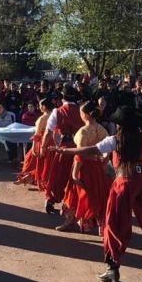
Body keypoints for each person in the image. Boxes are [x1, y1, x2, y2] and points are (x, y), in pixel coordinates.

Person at [54, 106, 142, 282]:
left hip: (123, 183)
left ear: (120, 125)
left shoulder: (115, 140)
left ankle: (112, 268)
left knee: (115, 224)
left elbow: (90, 150)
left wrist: (65, 150)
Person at [55, 101, 112, 233]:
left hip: (84, 167)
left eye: (81, 112)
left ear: (86, 114)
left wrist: (75, 173)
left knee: (76, 194)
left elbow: (80, 154)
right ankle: (102, 228)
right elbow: (108, 151)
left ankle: (70, 221)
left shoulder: (83, 131)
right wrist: (103, 165)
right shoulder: (102, 130)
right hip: (97, 166)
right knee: (98, 196)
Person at [40, 86, 84, 214]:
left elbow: (48, 131)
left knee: (59, 175)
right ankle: (78, 203)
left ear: (63, 98)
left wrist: (43, 146)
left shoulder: (58, 111)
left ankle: (51, 199)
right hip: (81, 147)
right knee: (81, 175)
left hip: (65, 146)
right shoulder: (82, 110)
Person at [14, 98, 53, 186]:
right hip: (50, 141)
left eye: (40, 105)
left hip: (41, 141)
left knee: (31, 160)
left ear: (43, 107)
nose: (38, 107)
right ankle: (29, 179)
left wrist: (34, 147)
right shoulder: (53, 116)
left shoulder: (42, 119)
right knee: (46, 162)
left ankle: (27, 178)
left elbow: (37, 135)